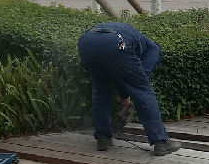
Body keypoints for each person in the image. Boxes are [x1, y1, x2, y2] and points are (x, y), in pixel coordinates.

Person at [77, 22, 181, 155]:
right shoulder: (153, 50)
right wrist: (125, 95)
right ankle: (161, 142)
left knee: (100, 89)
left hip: (86, 42)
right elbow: (140, 79)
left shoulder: (131, 35)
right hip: (116, 42)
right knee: (143, 90)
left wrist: (123, 93)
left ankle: (102, 138)